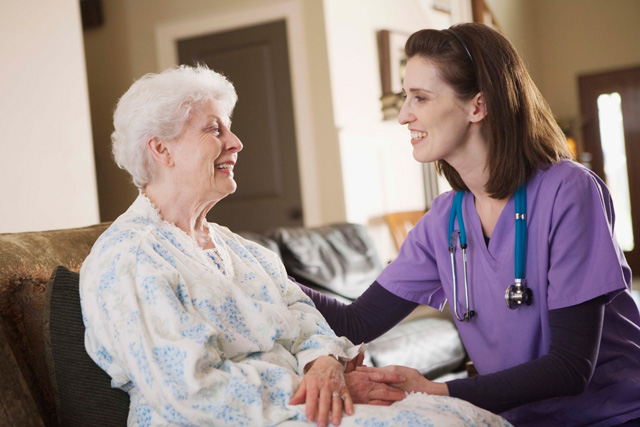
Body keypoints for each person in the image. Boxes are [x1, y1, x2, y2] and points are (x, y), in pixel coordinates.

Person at [80, 64, 512, 426]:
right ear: (161, 150)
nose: (236, 142)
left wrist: (324, 362)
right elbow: (189, 387)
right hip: (231, 418)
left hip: (304, 408)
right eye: (214, 129)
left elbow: (310, 323)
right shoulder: (130, 258)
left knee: (465, 417)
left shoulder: (241, 249)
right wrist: (318, 383)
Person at [300, 23, 640, 426]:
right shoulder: (445, 219)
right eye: (405, 97)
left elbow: (570, 367)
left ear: (477, 106)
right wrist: (248, 262)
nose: (405, 115)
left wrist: (438, 391)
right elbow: (354, 323)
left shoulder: (568, 190)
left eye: (420, 98)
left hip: (614, 416)